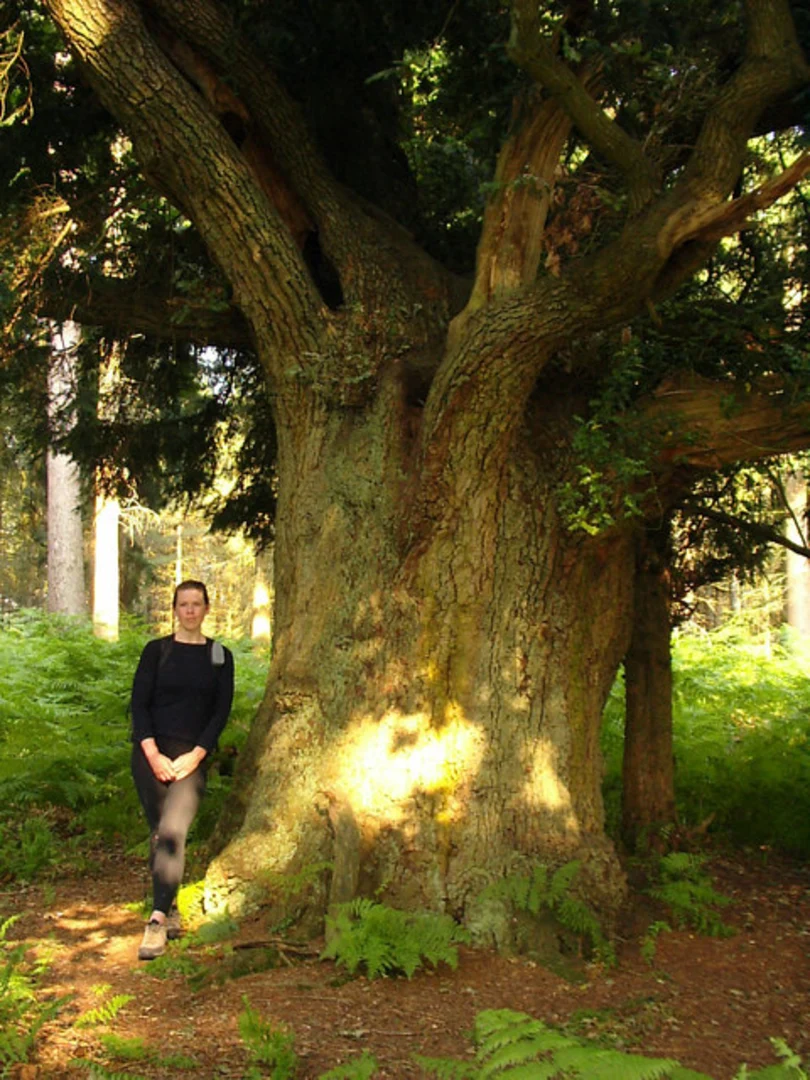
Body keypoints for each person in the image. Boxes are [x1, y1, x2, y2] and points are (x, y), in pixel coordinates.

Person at [130, 580, 234, 960]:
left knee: (174, 830)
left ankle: (156, 921)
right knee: (160, 834)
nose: (190, 611)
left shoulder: (219, 655)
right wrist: (153, 754)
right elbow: (139, 706)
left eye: (197, 604)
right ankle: (169, 905)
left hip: (193, 759)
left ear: (207, 608)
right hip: (150, 755)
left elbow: (220, 712)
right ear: (174, 609)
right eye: (183, 604)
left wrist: (196, 756)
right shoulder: (155, 652)